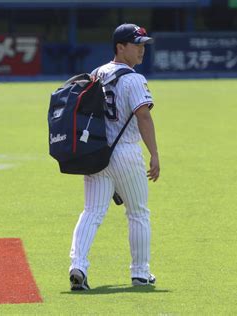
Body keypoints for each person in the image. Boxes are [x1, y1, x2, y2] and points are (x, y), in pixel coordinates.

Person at [68, 23, 160, 290]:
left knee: (92, 212)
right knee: (138, 213)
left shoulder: (97, 73)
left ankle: (78, 265)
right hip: (127, 152)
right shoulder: (134, 79)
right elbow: (143, 116)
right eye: (137, 44)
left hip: (97, 152)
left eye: (143, 44)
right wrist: (154, 153)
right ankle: (141, 273)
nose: (142, 49)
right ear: (120, 47)